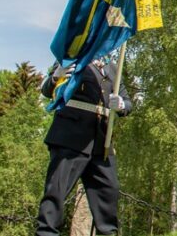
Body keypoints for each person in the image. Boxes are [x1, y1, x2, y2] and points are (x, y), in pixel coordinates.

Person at [36, 57, 132, 236]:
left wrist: (121, 104)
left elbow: (127, 102)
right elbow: (48, 90)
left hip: (101, 140)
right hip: (70, 136)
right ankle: (46, 232)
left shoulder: (112, 67)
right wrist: (57, 77)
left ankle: (108, 233)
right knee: (56, 191)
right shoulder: (73, 56)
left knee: (109, 190)